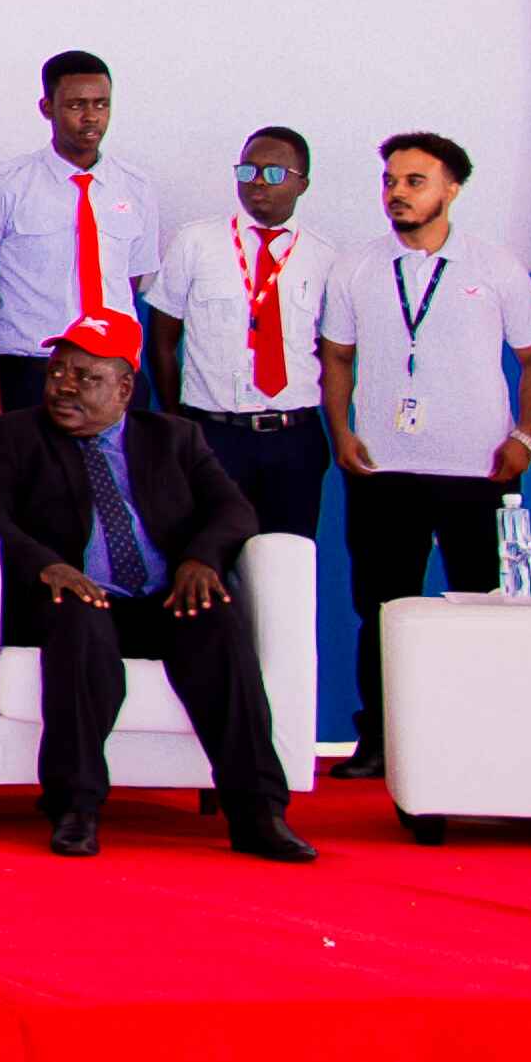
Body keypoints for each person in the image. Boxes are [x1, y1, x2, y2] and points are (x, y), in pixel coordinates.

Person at [0, 307, 310, 861]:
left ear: (123, 388)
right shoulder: (16, 435)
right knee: (78, 620)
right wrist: (46, 564)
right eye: (56, 372)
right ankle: (75, 807)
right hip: (75, 599)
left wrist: (201, 559)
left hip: (162, 600)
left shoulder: (175, 437)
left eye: (84, 376)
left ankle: (259, 812)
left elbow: (233, 510)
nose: (63, 386)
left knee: (216, 620)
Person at [318, 127, 531, 775]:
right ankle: (377, 739)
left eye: (414, 181)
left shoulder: (494, 265)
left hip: (478, 470)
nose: (396, 192)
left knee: (481, 607)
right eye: (389, 181)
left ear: (451, 189)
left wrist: (525, 437)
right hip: (382, 468)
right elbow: (336, 357)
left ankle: (478, 741)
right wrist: (340, 432)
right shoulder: (356, 267)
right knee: (382, 609)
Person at [141, 127, 338, 710]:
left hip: (294, 440)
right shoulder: (196, 242)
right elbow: (163, 342)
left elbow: (334, 355)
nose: (258, 184)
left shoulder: (325, 258)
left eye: (275, 174)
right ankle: (214, 704)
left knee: (285, 577)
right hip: (214, 438)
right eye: (248, 171)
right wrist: (178, 425)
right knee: (206, 568)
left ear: (303, 183)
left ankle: (282, 710)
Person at [0, 52, 165, 409]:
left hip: (113, 365)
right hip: (33, 366)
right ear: (47, 108)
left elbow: (132, 279)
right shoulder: (6, 185)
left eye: (101, 104)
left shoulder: (136, 187)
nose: (91, 117)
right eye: (76, 105)